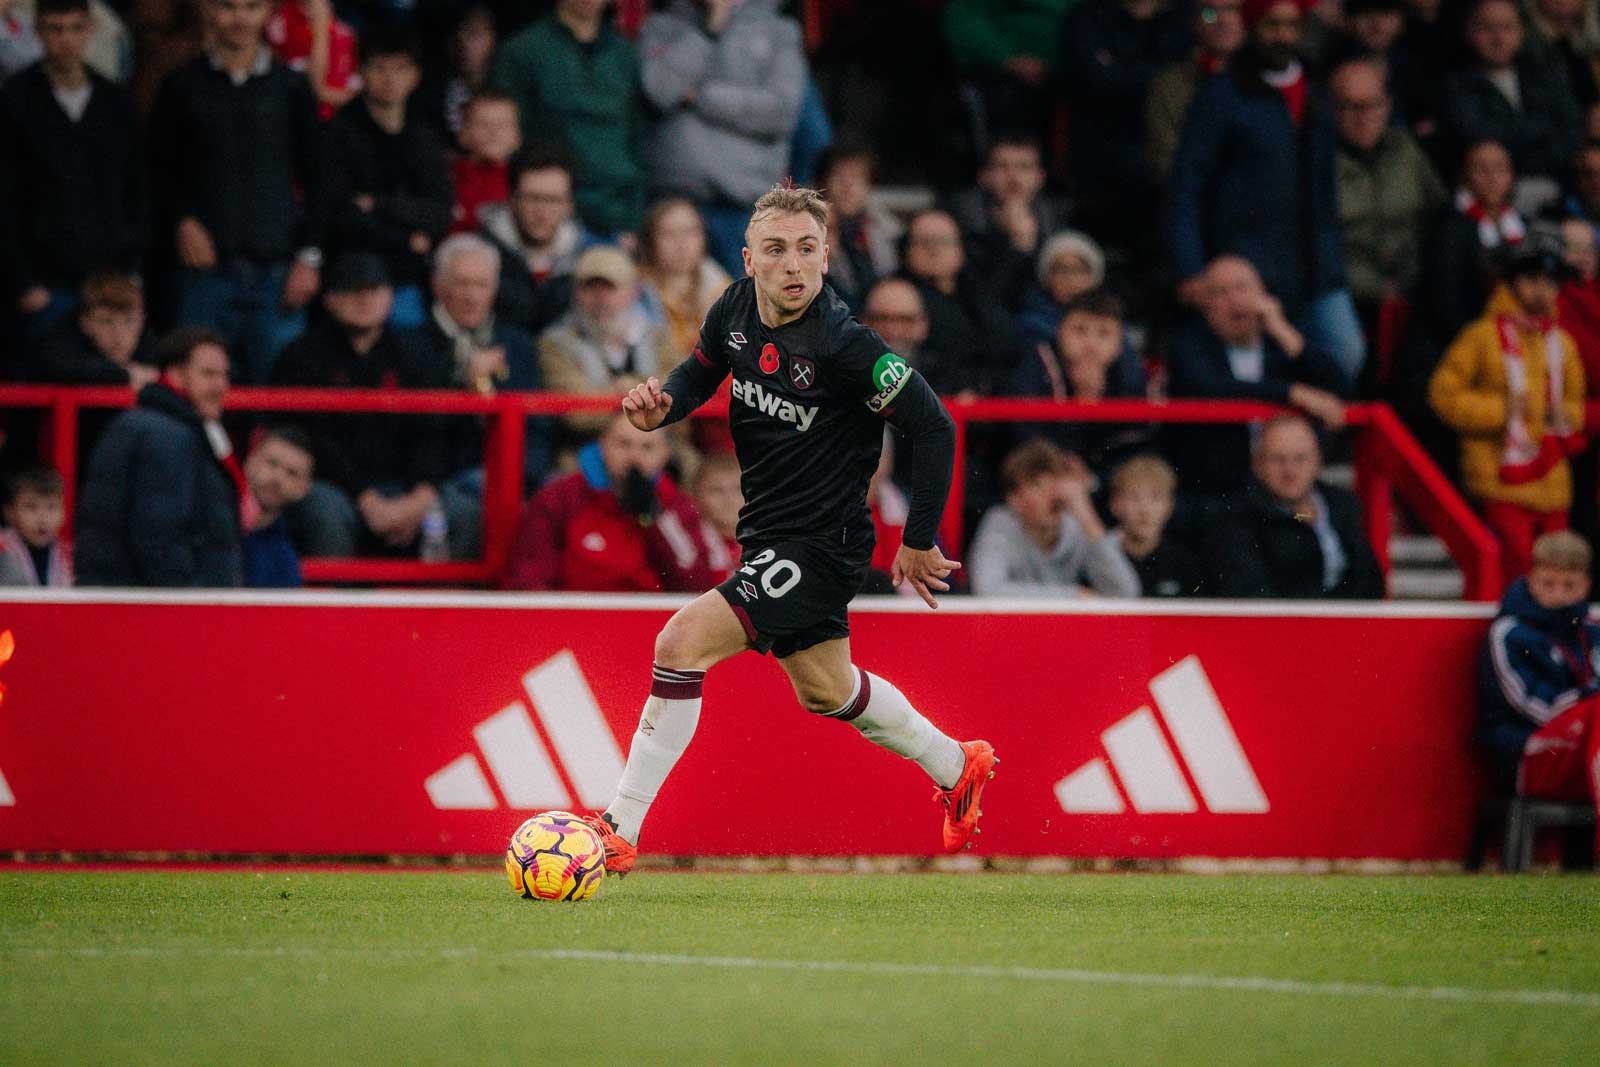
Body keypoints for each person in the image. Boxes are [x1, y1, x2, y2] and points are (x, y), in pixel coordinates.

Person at [581, 183, 994, 875]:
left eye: (807, 249)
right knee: (827, 690)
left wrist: (918, 538)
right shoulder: (735, 309)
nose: (793, 264)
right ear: (749, 259)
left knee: (680, 642)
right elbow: (701, 370)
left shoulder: (845, 344)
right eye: (776, 250)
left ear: (827, 258)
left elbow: (934, 424)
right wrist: (664, 409)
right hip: (769, 533)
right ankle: (960, 764)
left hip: (822, 543)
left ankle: (618, 827)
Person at [1167, 0, 1367, 381]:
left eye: (1292, 25)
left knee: (1344, 353)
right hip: (1246, 262)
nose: (1283, 35)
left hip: (1316, 263)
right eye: (1272, 25)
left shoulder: (1316, 89)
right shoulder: (1223, 93)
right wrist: (1190, 267)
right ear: (1252, 27)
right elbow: (1187, 185)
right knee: (1260, 371)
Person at [147, 0, 326, 383]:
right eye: (228, 7)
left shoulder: (291, 87)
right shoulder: (181, 85)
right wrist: (181, 220)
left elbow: (320, 179)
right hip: (202, 279)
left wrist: (310, 257)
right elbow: (156, 171)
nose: (239, 19)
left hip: (278, 275)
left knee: (279, 400)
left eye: (251, 7)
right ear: (210, 10)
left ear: (267, 13)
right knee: (192, 397)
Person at [270, 252, 452, 558]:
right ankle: (330, 605)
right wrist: (365, 498)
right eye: (353, 290)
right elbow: (310, 439)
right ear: (329, 299)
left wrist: (422, 495)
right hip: (332, 485)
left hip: (406, 485)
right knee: (325, 512)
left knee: (457, 511)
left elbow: (435, 432)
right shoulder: (301, 357)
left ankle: (436, 605)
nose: (365, 299)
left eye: (374, 290)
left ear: (391, 297)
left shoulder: (418, 354)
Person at [1429, 242, 1587, 584]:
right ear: (1511, 283)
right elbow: (1443, 394)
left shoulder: (1562, 343)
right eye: (1532, 279)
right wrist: (1500, 412)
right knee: (1513, 572)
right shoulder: (1481, 336)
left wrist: (1566, 416)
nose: (1541, 290)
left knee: (1558, 570)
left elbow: (1576, 401)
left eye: (1550, 281)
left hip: (1552, 478)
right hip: (1499, 478)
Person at [1, 0, 144, 346]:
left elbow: (137, 193)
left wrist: (131, 273)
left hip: (107, 287)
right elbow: (4, 198)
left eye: (76, 28)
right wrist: (23, 283)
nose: (66, 40)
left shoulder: (115, 103)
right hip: (42, 287)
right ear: (38, 31)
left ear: (90, 29)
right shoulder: (14, 101)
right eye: (56, 29)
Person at [638, 0, 808, 276]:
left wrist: (701, 97)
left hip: (745, 208)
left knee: (746, 314)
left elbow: (781, 112)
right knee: (670, 309)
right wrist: (709, 29)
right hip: (674, 204)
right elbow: (660, 88)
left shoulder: (779, 29)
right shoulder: (662, 25)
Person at [1167, 255, 1351, 493]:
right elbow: (1209, 386)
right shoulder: (1188, 344)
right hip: (1222, 494)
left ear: (1263, 293)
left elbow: (1340, 386)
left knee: (1315, 514)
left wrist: (1283, 331)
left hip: (1288, 497)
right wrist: (1292, 393)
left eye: (1242, 287)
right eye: (1220, 292)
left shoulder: (1283, 343)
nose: (1235, 300)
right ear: (1206, 305)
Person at [75, 327, 242, 587]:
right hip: (154, 610)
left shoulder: (152, 425)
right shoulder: (166, 436)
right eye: (209, 374)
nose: (222, 386)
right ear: (175, 375)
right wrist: (191, 598)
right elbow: (159, 537)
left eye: (225, 375)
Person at [419, 233, 551, 560]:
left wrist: (521, 480)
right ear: (438, 285)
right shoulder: (414, 345)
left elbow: (538, 428)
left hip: (517, 477)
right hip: (445, 479)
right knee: (470, 510)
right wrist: (462, 384)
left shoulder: (517, 345)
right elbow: (416, 431)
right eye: (461, 284)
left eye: (481, 285)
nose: (471, 296)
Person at [501, 411, 717, 592]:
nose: (634, 456)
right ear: (603, 445)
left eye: (647, 447)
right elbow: (529, 579)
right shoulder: (560, 498)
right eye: (623, 444)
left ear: (665, 454)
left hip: (649, 626)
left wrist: (655, 519)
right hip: (573, 623)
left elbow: (695, 583)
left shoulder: (677, 508)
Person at [323, 26, 452, 328]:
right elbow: (341, 215)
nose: (390, 79)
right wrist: (407, 238)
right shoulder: (338, 133)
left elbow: (439, 211)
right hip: (352, 275)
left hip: (409, 277)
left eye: (400, 69)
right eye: (379, 68)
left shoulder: (425, 136)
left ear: (415, 76)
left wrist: (379, 205)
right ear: (361, 72)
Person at [489, 0, 644, 237]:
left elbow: (638, 138)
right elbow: (505, 138)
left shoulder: (624, 53)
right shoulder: (523, 50)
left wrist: (634, 215)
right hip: (547, 215)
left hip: (618, 213)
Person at [1477, 531, 1600, 830]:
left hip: (1585, 743)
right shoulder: (1508, 633)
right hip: (1526, 750)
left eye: (1569, 585)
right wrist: (1584, 703)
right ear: (1531, 578)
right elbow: (1530, 706)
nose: (1558, 595)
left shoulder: (1591, 630)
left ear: (1586, 585)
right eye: (1548, 584)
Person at [1056, 0, 1191, 253]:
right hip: (1100, 156)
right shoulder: (1087, 16)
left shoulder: (1184, 16)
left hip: (1170, 156)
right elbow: (1096, 82)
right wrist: (1159, 77)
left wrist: (1124, 74)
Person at [1207, 412, 1386, 597]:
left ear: (1318, 460)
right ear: (1257, 464)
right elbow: (1252, 595)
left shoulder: (1342, 505)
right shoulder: (1237, 520)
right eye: (1277, 459)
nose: (1290, 470)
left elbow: (1369, 578)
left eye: (1300, 458)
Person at [1330, 57, 1446, 328]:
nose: (1364, 116)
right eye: (1351, 107)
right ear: (1333, 110)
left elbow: (1439, 210)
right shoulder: (1318, 161)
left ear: (1388, 105)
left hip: (1413, 288)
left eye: (1373, 105)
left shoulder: (1405, 149)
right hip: (1351, 294)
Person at [1439, 0, 1581, 201]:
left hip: (1562, 187)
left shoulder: (1544, 73)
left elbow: (1571, 132)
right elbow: (1482, 140)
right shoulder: (1454, 86)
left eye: (1507, 28)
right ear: (1468, 31)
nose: (1498, 38)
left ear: (1521, 30)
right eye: (1487, 28)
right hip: (1493, 201)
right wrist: (1542, 134)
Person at [969, 438, 1142, 598]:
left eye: (1055, 484)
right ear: (1015, 499)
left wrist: (1087, 518)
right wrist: (1072, 595)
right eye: (1039, 487)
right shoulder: (1001, 523)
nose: (1053, 496)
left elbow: (1125, 591)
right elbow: (987, 589)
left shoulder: (1076, 526)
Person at [539, 245, 676, 442]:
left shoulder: (658, 338)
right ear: (576, 293)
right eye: (590, 288)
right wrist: (646, 394)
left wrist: (623, 389)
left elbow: (681, 392)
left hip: (659, 449)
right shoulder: (555, 345)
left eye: (610, 288)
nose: (600, 298)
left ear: (634, 292)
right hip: (585, 450)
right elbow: (577, 414)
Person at [1012, 288, 1151, 471]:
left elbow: (1135, 444)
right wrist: (1082, 401)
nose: (1090, 345)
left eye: (1104, 334)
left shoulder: (1130, 374)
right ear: (1060, 331)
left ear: (1119, 343)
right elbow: (1026, 439)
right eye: (1080, 330)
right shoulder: (1035, 364)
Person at [898, 208, 1018, 395]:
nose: (934, 250)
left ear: (960, 250)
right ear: (908, 250)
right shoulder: (895, 296)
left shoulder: (979, 295)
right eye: (924, 242)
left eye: (943, 242)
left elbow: (1008, 345)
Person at [478, 144, 594, 337]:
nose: (542, 211)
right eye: (532, 198)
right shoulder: (477, 255)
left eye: (553, 200)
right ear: (512, 199)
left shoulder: (587, 258)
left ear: (569, 205)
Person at [945, 135, 1071, 311]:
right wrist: (1019, 248)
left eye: (1024, 167)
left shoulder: (1057, 223)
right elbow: (979, 305)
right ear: (984, 176)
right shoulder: (960, 227)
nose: (1014, 177)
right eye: (1002, 167)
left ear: (1040, 177)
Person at [1145, 0, 1247, 181]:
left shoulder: (1273, 76)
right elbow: (1164, 160)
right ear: (1194, 21)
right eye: (1209, 13)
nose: (1222, 20)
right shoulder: (1169, 86)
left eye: (1233, 9)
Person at [637, 196, 733, 359]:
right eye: (669, 234)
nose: (681, 243)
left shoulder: (721, 288)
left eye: (690, 232)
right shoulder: (635, 291)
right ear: (650, 241)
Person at [27, 272, 156, 387]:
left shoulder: (153, 347)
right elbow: (55, 366)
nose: (118, 334)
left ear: (142, 320)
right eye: (106, 321)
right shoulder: (63, 340)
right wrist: (124, 375)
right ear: (85, 323)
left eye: (129, 321)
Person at [817, 141, 900, 310]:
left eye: (857, 177)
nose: (848, 186)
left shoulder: (888, 230)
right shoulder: (808, 231)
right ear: (822, 183)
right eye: (839, 177)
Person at [1108, 453, 1205, 597]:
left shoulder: (1184, 563)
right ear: (1115, 504)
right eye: (1134, 497)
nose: (1145, 509)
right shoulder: (1098, 560)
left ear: (1169, 506)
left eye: (1155, 497)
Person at [240, 424, 313, 587]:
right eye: (271, 463)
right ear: (250, 461)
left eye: (291, 473)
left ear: (303, 489)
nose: (278, 478)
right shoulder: (207, 519)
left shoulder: (285, 564)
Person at [1015, 230, 1108, 352]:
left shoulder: (1110, 323)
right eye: (1061, 270)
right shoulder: (1031, 327)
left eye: (1080, 270)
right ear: (1047, 279)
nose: (1071, 279)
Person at [265, 0, 356, 118]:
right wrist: (320, 26)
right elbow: (319, 91)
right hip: (309, 114)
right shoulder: (281, 20)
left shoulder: (343, 29)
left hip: (345, 113)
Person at [450, 91, 521, 236]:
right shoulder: (446, 176)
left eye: (503, 125)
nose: (493, 132)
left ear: (517, 136)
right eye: (483, 124)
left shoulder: (525, 180)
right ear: (463, 133)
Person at [0, 464, 72, 587]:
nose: (42, 519)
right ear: (10, 512)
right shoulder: (2, 548)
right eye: (31, 507)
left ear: (64, 512)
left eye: (51, 507)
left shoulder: (71, 556)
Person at [690, 448, 742, 583]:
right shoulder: (689, 541)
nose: (728, 500)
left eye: (737, 490)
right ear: (696, 496)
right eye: (716, 491)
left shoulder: (767, 541)